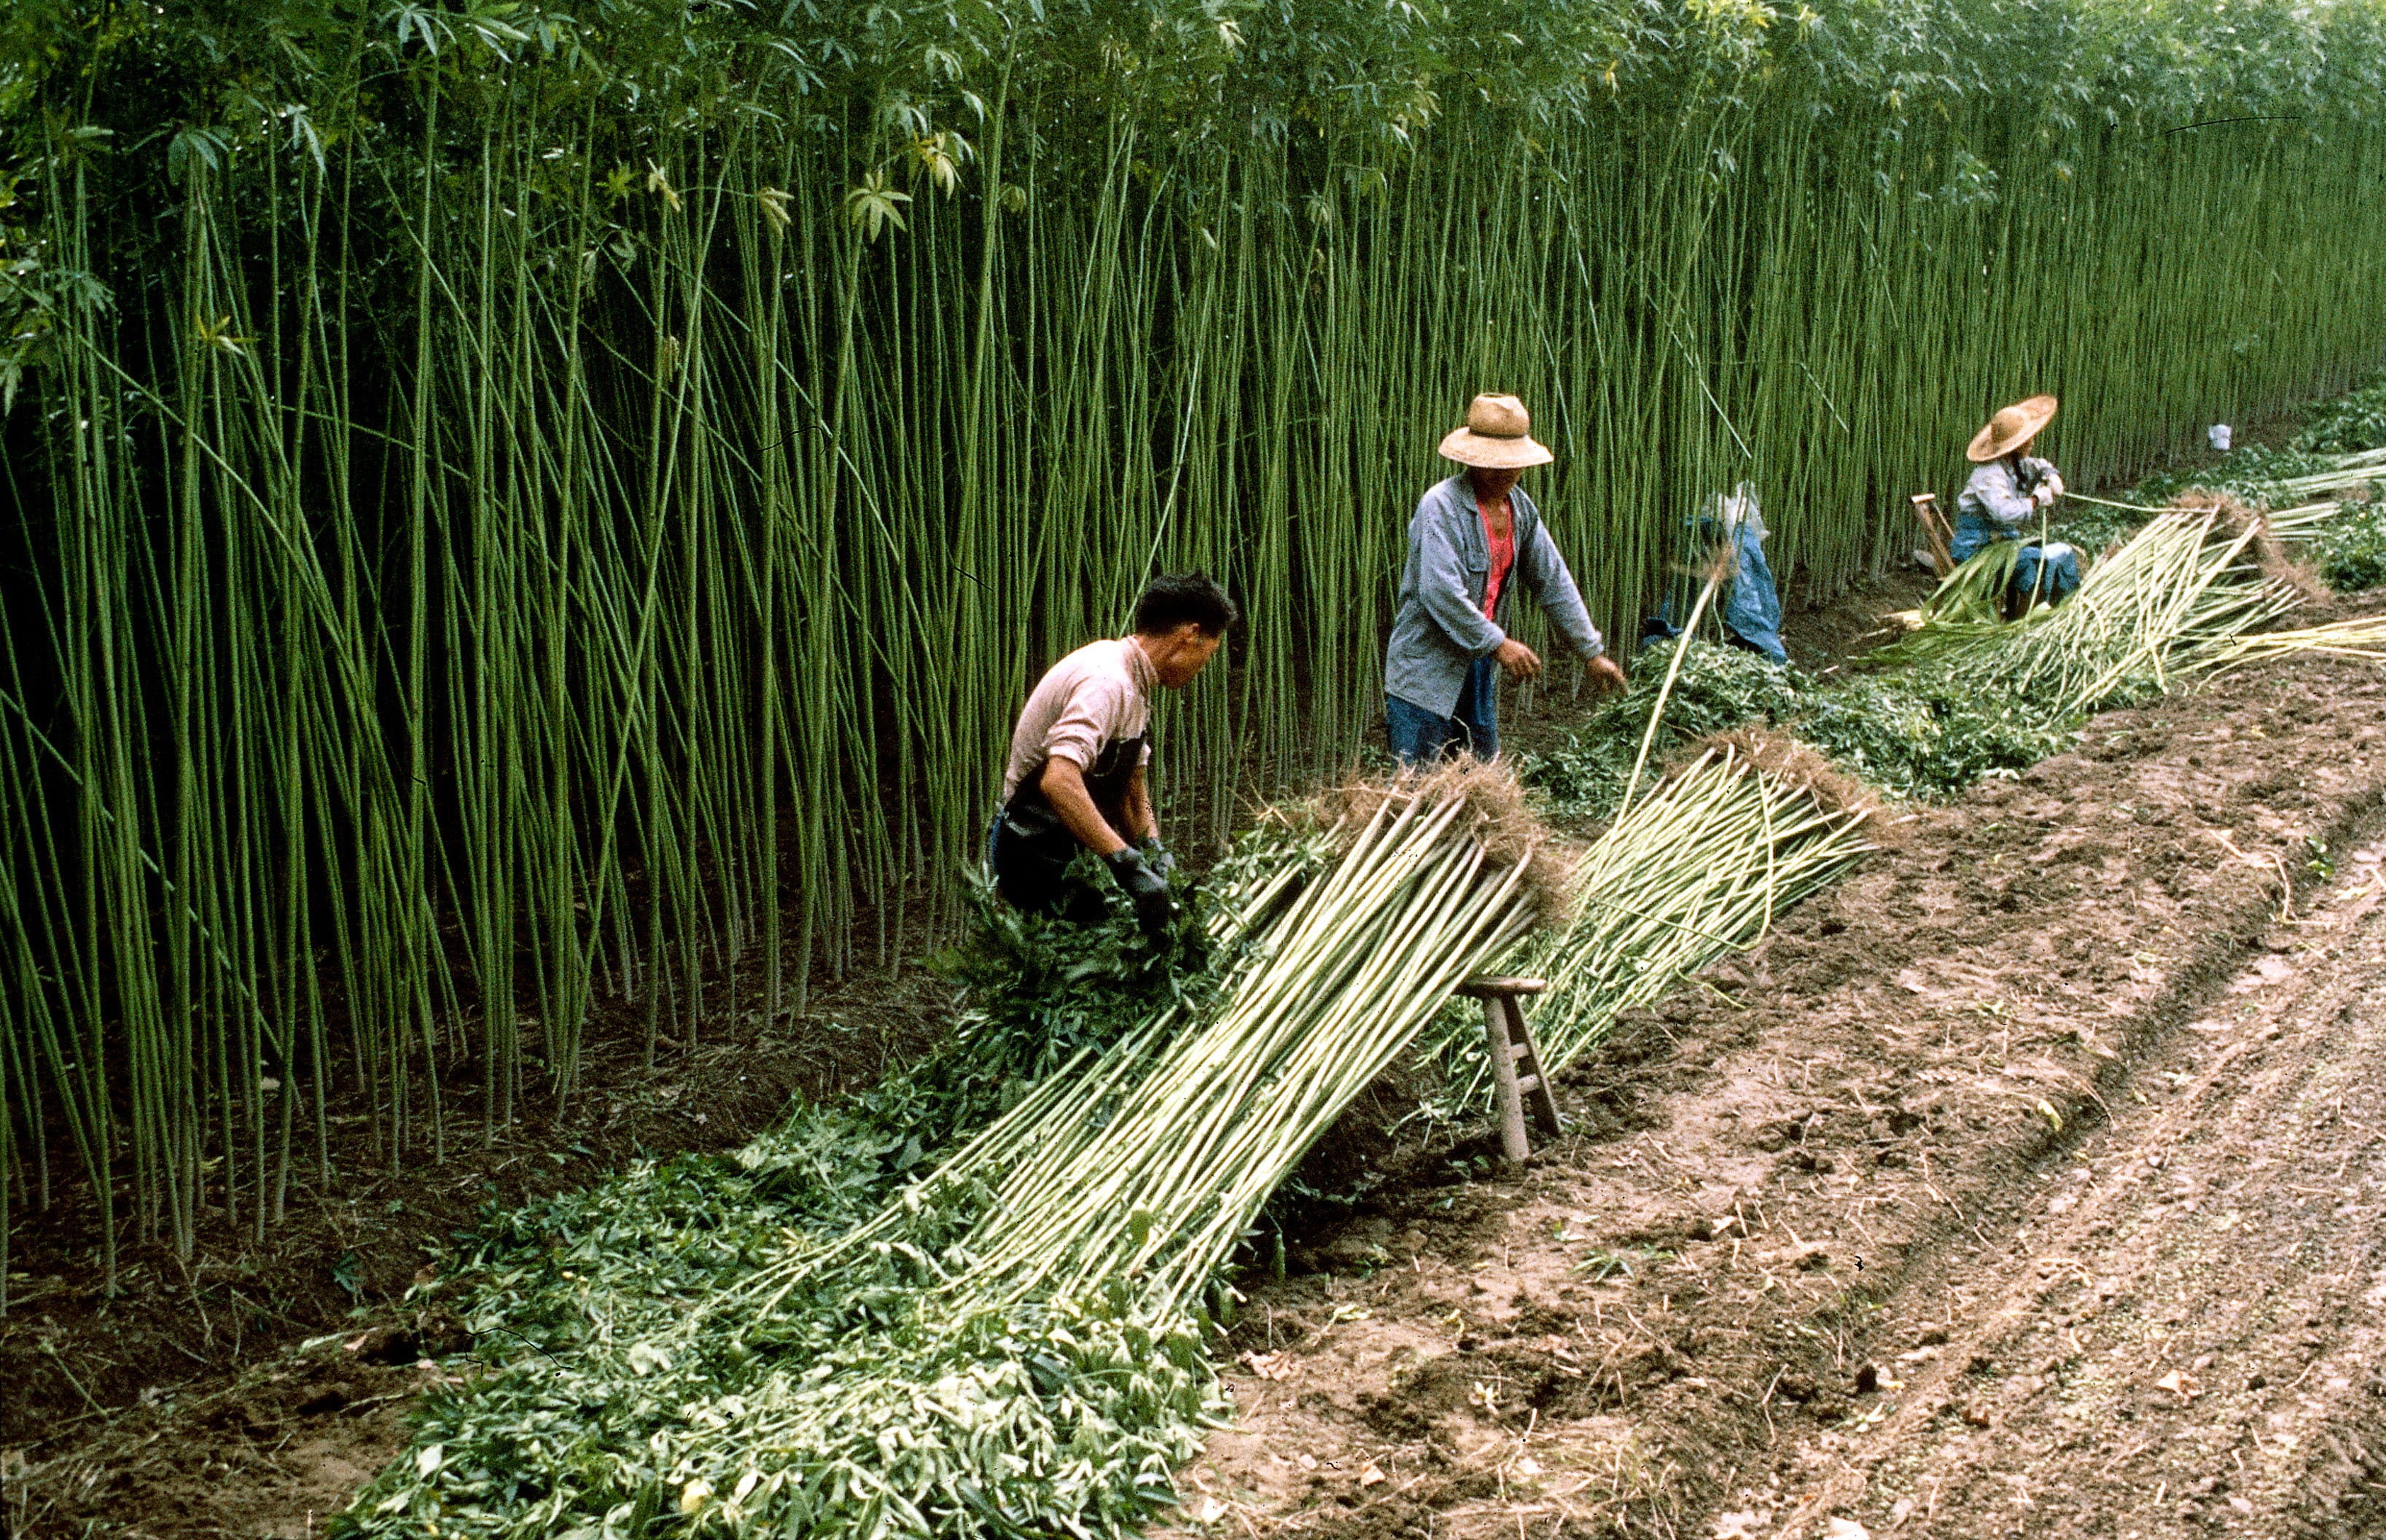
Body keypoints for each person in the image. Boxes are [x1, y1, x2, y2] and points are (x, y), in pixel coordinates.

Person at [1384, 394, 1625, 765]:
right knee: (1417, 786)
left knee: (1478, 780)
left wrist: (1591, 653)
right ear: (1473, 460)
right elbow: (1440, 591)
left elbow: (1553, 580)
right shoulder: (1441, 507)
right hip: (1426, 671)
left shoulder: (1520, 510)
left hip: (1475, 664)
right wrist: (1499, 644)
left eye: (1512, 465)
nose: (1505, 473)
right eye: (1494, 465)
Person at [990, 573, 1238, 935]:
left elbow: (1133, 792)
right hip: (1031, 849)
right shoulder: (1107, 682)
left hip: (1074, 846)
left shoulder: (1136, 683)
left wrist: (1154, 851)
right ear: (1188, 636)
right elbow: (1058, 780)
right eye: (1208, 654)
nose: (1203, 668)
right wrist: (1126, 863)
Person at [1952, 394, 2081, 607]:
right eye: (2027, 439)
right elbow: (2005, 513)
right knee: (2034, 561)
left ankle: (2065, 607)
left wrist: (2050, 474)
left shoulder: (2012, 463)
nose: (2032, 442)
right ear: (2015, 445)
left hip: (2000, 542)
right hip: (1978, 548)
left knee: (2060, 555)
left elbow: (2035, 465)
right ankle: (2024, 614)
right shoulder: (1989, 475)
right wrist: (2036, 499)